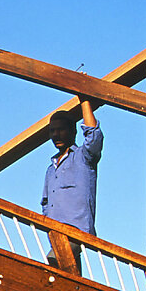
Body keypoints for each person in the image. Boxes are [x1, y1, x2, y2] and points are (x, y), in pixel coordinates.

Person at [41, 98, 103, 274]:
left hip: (76, 231)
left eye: (61, 130)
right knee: (71, 278)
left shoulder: (83, 157)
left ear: (73, 131)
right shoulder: (50, 169)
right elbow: (46, 203)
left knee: (54, 262)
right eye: (52, 131)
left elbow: (94, 137)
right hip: (56, 234)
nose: (56, 135)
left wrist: (84, 100)